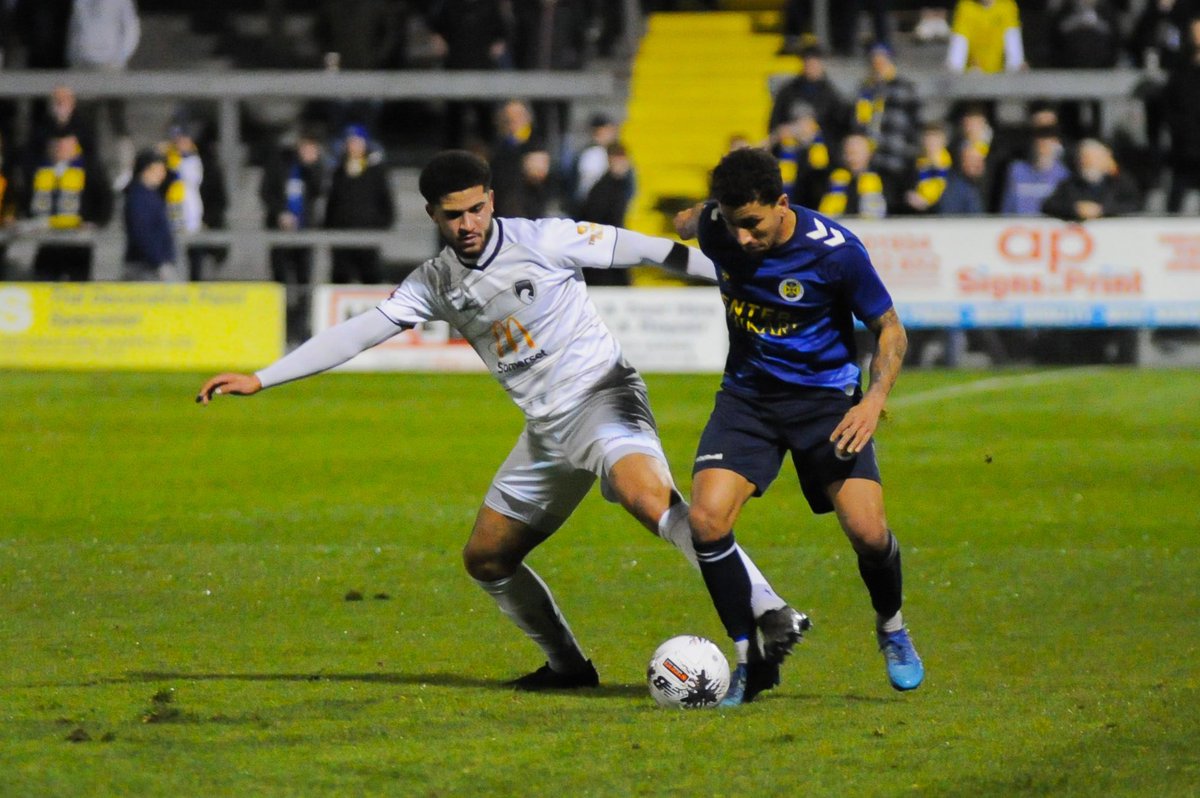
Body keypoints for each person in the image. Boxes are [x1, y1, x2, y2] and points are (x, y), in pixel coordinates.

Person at [196, 150, 809, 694]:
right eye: (451, 215)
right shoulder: (434, 282)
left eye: (474, 210)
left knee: (644, 495)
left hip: (601, 396)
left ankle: (769, 609)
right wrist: (263, 377)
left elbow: (653, 251)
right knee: (487, 560)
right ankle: (567, 666)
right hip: (545, 433)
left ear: (491, 200)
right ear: (433, 215)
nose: (466, 225)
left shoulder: (546, 238)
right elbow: (359, 331)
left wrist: (741, 274)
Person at [673, 146, 924, 696]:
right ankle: (748, 659)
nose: (742, 238)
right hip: (747, 401)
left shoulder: (835, 252)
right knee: (707, 522)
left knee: (868, 532)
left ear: (782, 204)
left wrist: (873, 400)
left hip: (826, 405)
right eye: (732, 223)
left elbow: (891, 330)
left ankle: (893, 628)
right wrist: (698, 214)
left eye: (754, 225)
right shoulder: (719, 226)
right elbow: (687, 220)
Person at [323, 125, 395, 284]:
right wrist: (329, 228)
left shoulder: (376, 171)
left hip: (368, 235)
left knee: (370, 278)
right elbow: (332, 202)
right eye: (350, 142)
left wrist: (380, 225)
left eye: (357, 142)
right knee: (340, 278)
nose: (353, 146)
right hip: (342, 236)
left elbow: (386, 201)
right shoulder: (339, 171)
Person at [1040, 138, 1142, 221]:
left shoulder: (1121, 183)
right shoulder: (1069, 184)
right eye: (1083, 158)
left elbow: (1135, 205)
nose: (1087, 163)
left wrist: (1102, 210)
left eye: (1092, 158)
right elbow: (1048, 205)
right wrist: (1074, 209)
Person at [122, 148, 176, 281]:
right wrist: (159, 261)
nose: (162, 174)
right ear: (145, 170)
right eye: (158, 170)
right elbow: (142, 233)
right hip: (145, 267)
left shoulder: (151, 194)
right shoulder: (139, 197)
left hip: (152, 264)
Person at [944, 0, 1025, 73]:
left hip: (999, 77)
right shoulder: (965, 7)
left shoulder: (1007, 6)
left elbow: (1012, 42)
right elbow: (959, 44)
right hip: (971, 76)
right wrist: (955, 68)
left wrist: (1016, 66)